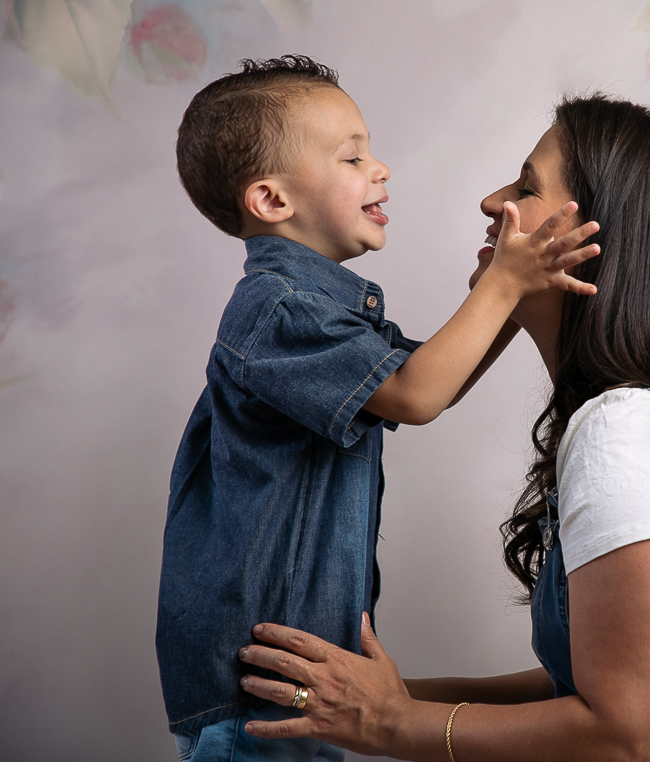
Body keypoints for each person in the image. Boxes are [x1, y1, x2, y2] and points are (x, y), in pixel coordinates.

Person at [235, 95, 650, 761]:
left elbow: (629, 735)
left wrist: (388, 726)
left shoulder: (627, 435)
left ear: (594, 244)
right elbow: (623, 677)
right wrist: (386, 700)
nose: (492, 201)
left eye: (526, 186)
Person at [157, 56, 601, 761]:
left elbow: (431, 380)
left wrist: (511, 300)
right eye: (352, 156)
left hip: (300, 682)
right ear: (272, 201)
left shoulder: (326, 313)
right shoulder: (276, 310)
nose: (380, 168)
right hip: (262, 693)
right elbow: (419, 395)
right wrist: (504, 289)